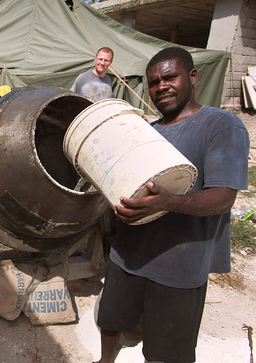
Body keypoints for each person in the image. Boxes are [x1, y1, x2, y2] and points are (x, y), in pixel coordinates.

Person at [94, 47, 249, 363]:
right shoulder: (146, 131)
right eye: (153, 82)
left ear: (192, 77)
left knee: (166, 350)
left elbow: (224, 197)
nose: (160, 87)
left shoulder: (220, 125)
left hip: (179, 265)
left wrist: (169, 202)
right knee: (111, 321)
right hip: (127, 255)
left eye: (169, 77)